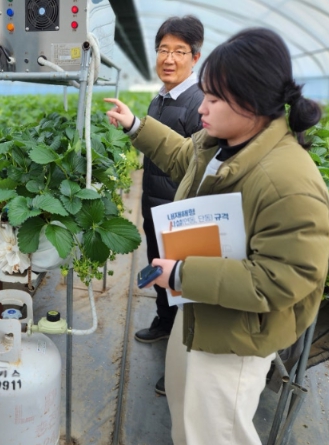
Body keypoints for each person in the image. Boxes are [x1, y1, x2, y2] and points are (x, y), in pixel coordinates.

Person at [106, 27, 329, 445]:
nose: (202, 106)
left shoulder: (289, 182)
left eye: (213, 98)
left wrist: (181, 275)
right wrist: (136, 127)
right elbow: (183, 157)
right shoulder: (221, 141)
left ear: (251, 102)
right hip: (201, 311)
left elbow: (280, 279)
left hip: (237, 339)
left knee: (215, 433)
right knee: (187, 417)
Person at [133, 15, 205, 397]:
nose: (169, 59)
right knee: (159, 272)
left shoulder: (199, 104)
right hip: (154, 209)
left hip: (181, 216)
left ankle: (179, 363)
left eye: (179, 51)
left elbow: (198, 168)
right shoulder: (159, 97)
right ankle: (163, 322)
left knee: (181, 286)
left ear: (195, 57)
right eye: (163, 50)